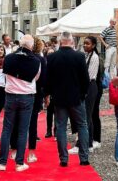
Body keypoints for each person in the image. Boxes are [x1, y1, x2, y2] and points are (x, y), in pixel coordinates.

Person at [0, 35, 41, 172]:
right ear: (31, 46)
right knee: (22, 130)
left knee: (7, 129)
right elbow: (36, 78)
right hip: (26, 96)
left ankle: (2, 162)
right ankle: (19, 163)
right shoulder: (36, 61)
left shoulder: (9, 58)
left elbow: (6, 74)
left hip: (11, 95)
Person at [45, 31, 90, 167]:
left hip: (59, 97)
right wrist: (84, 93)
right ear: (71, 41)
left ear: (60, 41)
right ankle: (83, 158)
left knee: (61, 127)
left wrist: (47, 94)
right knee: (82, 126)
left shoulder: (52, 57)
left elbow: (48, 79)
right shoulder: (79, 56)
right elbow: (85, 79)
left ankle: (63, 159)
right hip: (76, 97)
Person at [69, 36, 99, 154]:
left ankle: (81, 144)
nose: (85, 45)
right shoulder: (85, 55)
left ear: (93, 45)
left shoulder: (94, 58)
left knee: (85, 117)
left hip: (90, 87)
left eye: (88, 44)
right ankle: (89, 142)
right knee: (87, 116)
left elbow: (90, 75)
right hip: (85, 86)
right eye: (84, 43)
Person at [27, 37, 46, 164]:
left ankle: (14, 149)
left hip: (21, 92)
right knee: (32, 122)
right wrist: (46, 95)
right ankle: (31, 152)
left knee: (19, 122)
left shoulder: (20, 57)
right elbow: (43, 79)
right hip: (36, 92)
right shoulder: (40, 60)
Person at [44, 46, 56, 138]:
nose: (50, 55)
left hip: (56, 92)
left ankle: (56, 130)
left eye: (52, 53)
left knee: (57, 113)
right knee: (49, 112)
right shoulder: (45, 65)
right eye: (49, 53)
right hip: (48, 91)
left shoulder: (58, 64)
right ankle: (48, 130)